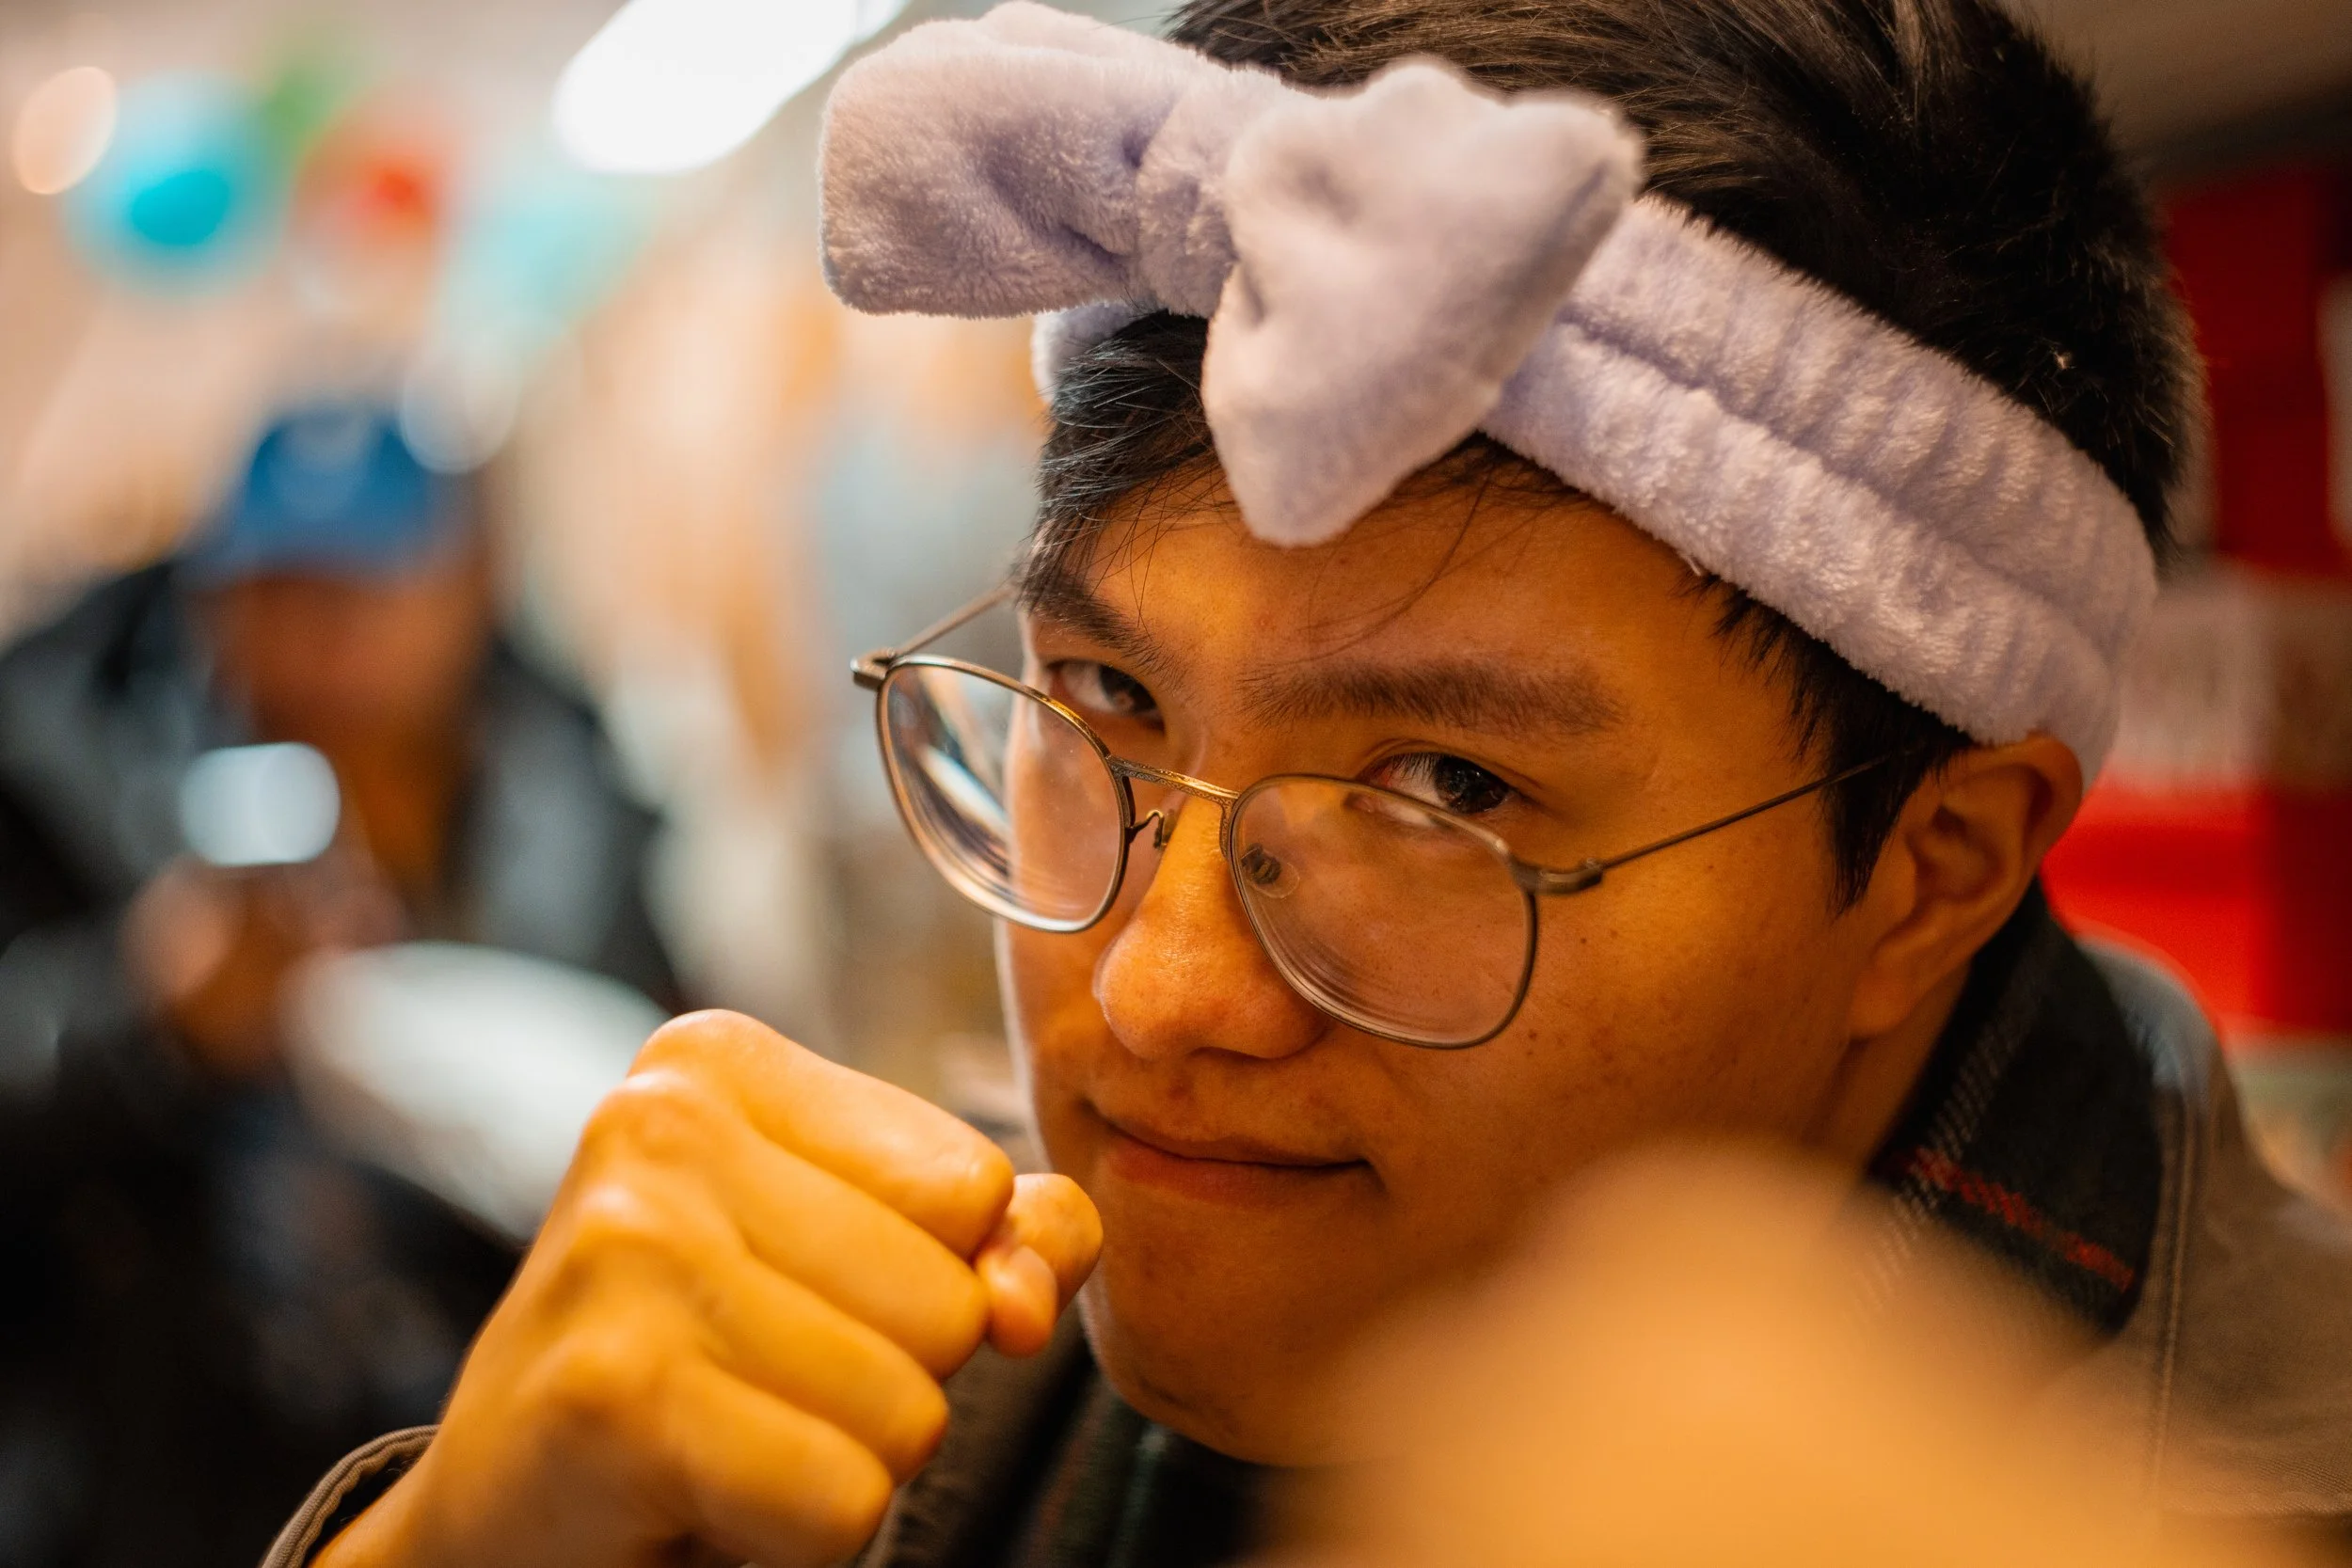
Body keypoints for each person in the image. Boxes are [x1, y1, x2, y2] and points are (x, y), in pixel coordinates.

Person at [275, 1, 2352, 1565]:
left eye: (1439, 785)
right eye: (1100, 696)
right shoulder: (897, 1402)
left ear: (1926, 867)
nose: (1156, 993)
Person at [0, 405, 677, 1568]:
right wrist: (141, 1016)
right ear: (210, 595)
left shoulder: (577, 811)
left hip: (474, 1478)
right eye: (277, 585)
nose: (320, 635)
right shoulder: (61, 782)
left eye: (364, 585)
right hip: (132, 1483)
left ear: (464, 583)